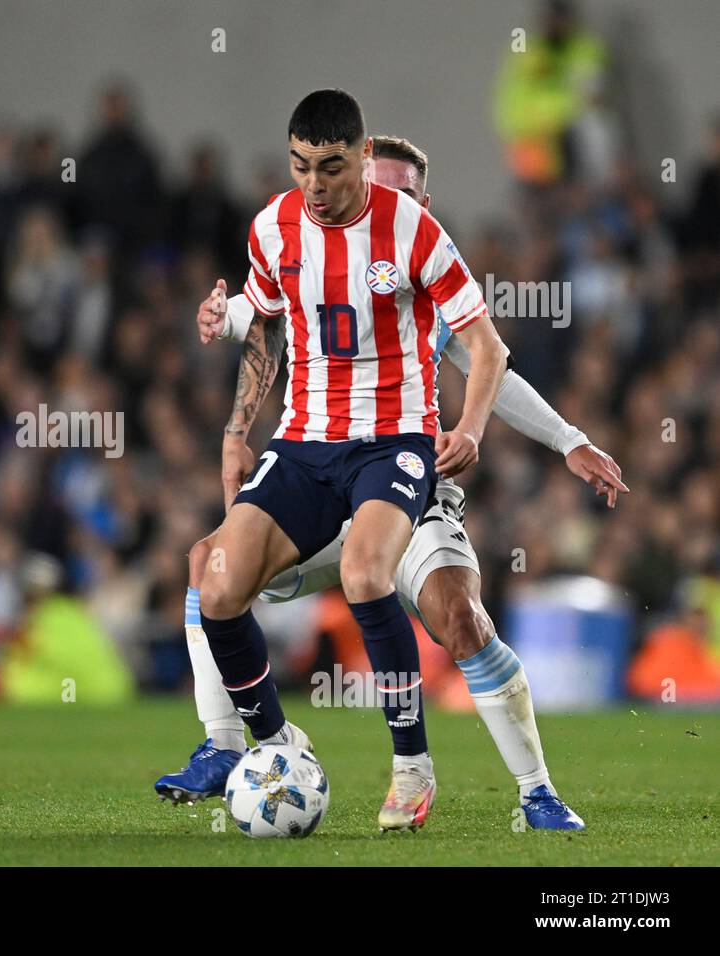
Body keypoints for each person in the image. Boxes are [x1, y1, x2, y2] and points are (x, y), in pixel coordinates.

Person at [158, 135, 623, 831]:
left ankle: (536, 793)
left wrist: (567, 440)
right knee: (208, 567)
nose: (380, 203)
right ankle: (226, 744)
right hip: (320, 475)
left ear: (421, 203)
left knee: (459, 618)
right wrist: (223, 320)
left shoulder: (422, 271)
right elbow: (276, 316)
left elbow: (492, 367)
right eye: (374, 188)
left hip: (405, 485)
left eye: (401, 193)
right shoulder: (315, 247)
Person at [168, 90, 509, 833]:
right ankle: (277, 743)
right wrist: (236, 428)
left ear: (360, 158)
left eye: (329, 167)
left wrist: (472, 428)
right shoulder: (272, 228)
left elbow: (488, 346)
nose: (314, 185)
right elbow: (263, 329)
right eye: (300, 167)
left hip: (396, 439)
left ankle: (412, 769)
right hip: (304, 441)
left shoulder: (412, 230)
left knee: (363, 574)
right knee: (216, 584)